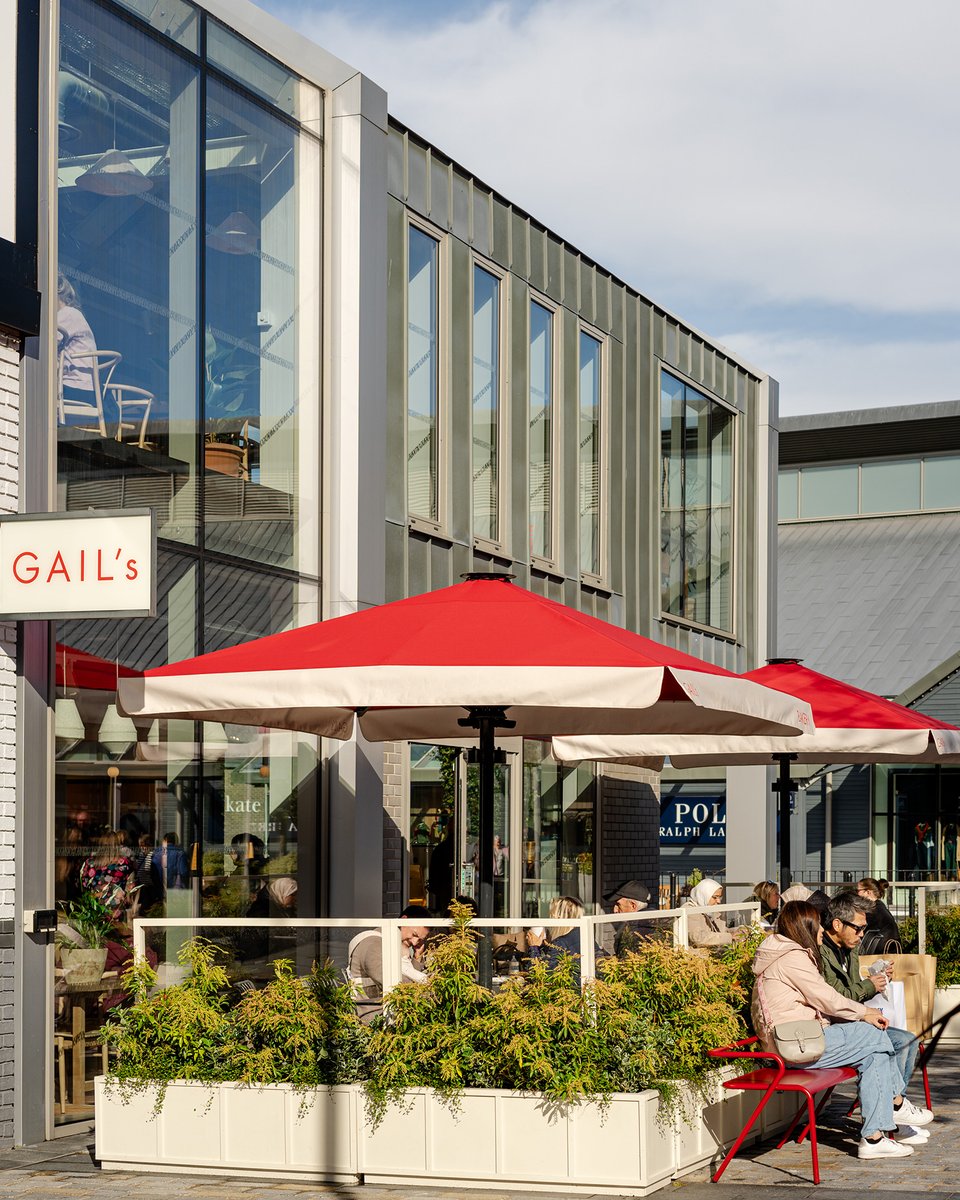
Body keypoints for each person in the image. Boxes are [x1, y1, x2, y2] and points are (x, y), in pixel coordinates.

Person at [752, 900, 931, 1159]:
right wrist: (865, 1013)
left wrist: (864, 1012)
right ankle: (896, 1103)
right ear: (806, 927)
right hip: (794, 1045)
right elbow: (827, 998)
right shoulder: (791, 958)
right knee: (874, 1035)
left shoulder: (788, 953)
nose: (822, 931)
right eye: (818, 925)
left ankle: (873, 1138)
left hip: (802, 1039)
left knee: (875, 1053)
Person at [820, 892, 925, 1135]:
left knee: (908, 1039)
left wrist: (876, 981)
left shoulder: (850, 950)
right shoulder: (822, 953)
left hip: (853, 1021)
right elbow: (837, 999)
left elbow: (852, 994)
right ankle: (892, 1111)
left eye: (864, 929)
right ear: (837, 925)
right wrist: (869, 985)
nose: (861, 935)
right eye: (858, 929)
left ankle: (895, 1110)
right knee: (890, 1043)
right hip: (837, 1028)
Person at [346, 905, 430, 1023]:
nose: (415, 942)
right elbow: (398, 984)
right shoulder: (373, 944)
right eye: (415, 934)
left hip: (386, 1013)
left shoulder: (391, 944)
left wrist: (417, 957)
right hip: (372, 1019)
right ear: (404, 920)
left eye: (420, 939)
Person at [526, 895, 603, 983]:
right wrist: (545, 946)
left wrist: (533, 947)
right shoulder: (584, 936)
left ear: (558, 917)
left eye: (551, 916)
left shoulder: (560, 943)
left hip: (570, 993)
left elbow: (540, 976)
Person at [78, 829, 137, 922]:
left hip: (94, 908)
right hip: (116, 909)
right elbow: (131, 886)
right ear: (117, 845)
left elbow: (84, 885)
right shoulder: (124, 863)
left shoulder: (89, 863)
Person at [56, 273, 99, 401]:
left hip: (75, 386)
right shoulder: (75, 315)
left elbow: (47, 344)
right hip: (86, 388)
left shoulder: (67, 314)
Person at [603, 880, 653, 956]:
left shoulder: (634, 930)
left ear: (633, 905)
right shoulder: (655, 922)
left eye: (618, 905)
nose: (615, 910)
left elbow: (625, 963)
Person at [684, 878, 735, 947]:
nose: (719, 901)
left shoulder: (706, 909)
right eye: (715, 897)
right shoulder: (689, 911)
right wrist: (730, 937)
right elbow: (699, 938)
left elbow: (719, 931)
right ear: (703, 895)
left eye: (720, 897)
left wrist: (736, 931)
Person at [857, 878, 902, 953]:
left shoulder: (872, 911)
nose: (857, 894)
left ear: (868, 892)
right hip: (889, 951)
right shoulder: (879, 907)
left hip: (880, 954)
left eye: (858, 890)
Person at [150, 831, 189, 896]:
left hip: (158, 892)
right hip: (176, 894)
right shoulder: (180, 854)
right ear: (176, 841)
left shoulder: (155, 854)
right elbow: (183, 872)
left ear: (165, 841)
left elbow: (151, 873)